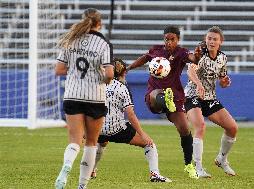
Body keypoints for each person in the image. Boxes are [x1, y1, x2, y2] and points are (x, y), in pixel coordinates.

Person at [126, 26, 201, 179]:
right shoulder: (156, 50)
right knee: (155, 95)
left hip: (176, 97)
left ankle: (189, 165)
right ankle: (164, 99)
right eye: (166, 39)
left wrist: (198, 56)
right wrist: (129, 67)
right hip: (154, 93)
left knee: (185, 129)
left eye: (172, 39)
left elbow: (193, 58)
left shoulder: (181, 52)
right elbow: (144, 58)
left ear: (178, 40)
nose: (169, 42)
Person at [54, 8, 114, 189]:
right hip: (95, 97)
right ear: (99, 24)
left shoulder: (71, 39)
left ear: (84, 20)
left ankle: (67, 165)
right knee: (91, 143)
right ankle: (82, 186)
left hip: (72, 95)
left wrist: (75, 73)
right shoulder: (104, 43)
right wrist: (101, 78)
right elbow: (110, 74)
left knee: (74, 141)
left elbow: (59, 70)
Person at [90, 58, 172, 182]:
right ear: (123, 73)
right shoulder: (122, 88)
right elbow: (131, 115)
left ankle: (91, 169)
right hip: (117, 129)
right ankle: (154, 174)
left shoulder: (97, 85)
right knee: (149, 144)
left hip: (98, 129)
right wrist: (142, 134)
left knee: (102, 142)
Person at [184, 26, 238, 178]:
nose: (211, 41)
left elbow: (222, 80)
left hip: (209, 98)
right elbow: (190, 71)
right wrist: (199, 84)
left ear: (221, 42)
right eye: (209, 38)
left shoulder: (222, 58)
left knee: (232, 128)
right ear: (205, 39)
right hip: (192, 96)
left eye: (215, 39)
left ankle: (222, 159)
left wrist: (225, 82)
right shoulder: (200, 53)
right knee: (200, 126)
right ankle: (198, 168)